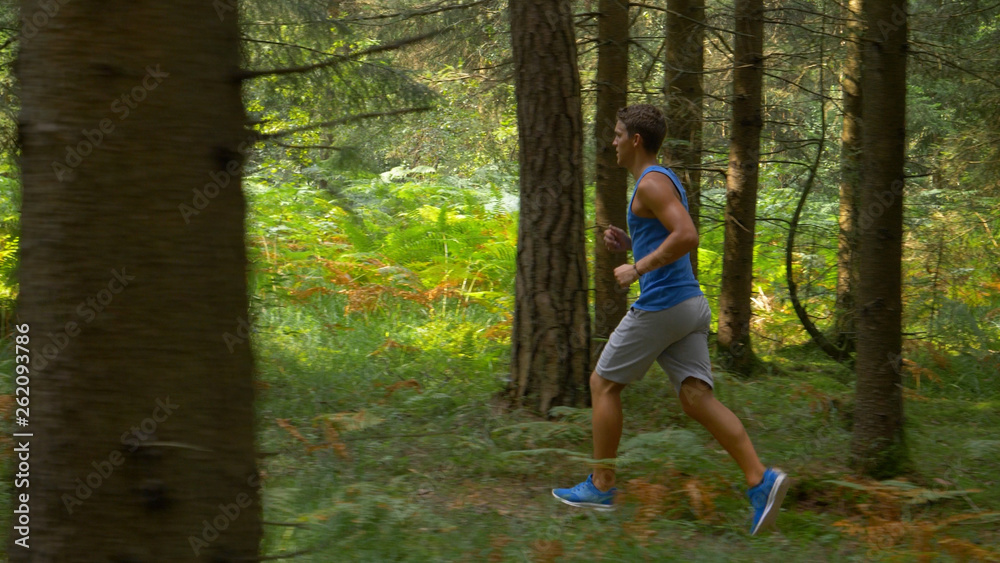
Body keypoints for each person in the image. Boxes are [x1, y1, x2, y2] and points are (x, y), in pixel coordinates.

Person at [552, 104, 789, 535]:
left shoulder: (652, 182)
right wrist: (631, 244)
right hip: (689, 306)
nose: (614, 142)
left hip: (663, 304)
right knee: (696, 399)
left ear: (636, 140)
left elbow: (687, 235)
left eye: (619, 134)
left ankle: (601, 485)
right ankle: (761, 480)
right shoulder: (658, 182)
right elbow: (666, 236)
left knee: (602, 384)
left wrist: (636, 269)